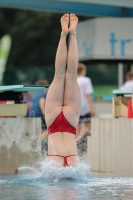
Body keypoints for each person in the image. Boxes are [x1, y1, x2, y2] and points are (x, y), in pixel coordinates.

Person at [45, 13, 80, 167]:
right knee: (61, 75)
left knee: (70, 75)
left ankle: (70, 33)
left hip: (58, 157)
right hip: (55, 124)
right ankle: (65, 33)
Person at [77, 63, 94, 142]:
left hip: (75, 106)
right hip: (84, 105)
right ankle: (78, 139)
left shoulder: (73, 80)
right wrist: (91, 107)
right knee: (88, 125)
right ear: (83, 71)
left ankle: (75, 145)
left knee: (77, 126)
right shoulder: (86, 80)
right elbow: (87, 95)